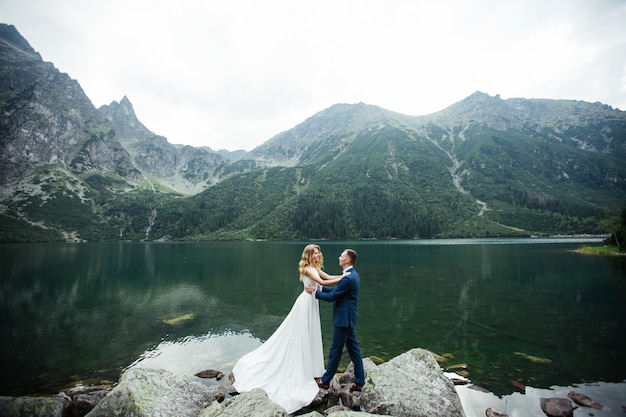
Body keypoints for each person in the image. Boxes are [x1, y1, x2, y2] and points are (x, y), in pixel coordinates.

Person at [231, 244, 346, 414]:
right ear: (308, 255)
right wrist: (345, 279)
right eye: (315, 252)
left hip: (312, 302)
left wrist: (344, 275)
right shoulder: (307, 268)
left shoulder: (315, 267)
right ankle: (306, 370)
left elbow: (327, 276)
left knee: (311, 334)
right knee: (301, 334)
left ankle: (314, 370)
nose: (317, 254)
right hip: (306, 302)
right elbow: (322, 282)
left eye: (318, 252)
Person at [305, 248, 365, 392]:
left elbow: (333, 297)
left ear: (347, 260)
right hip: (348, 318)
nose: (339, 257)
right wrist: (321, 289)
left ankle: (325, 381)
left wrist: (314, 292)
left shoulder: (348, 278)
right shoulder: (351, 275)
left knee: (336, 350)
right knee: (354, 350)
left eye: (342, 256)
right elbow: (337, 293)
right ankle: (360, 381)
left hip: (344, 319)